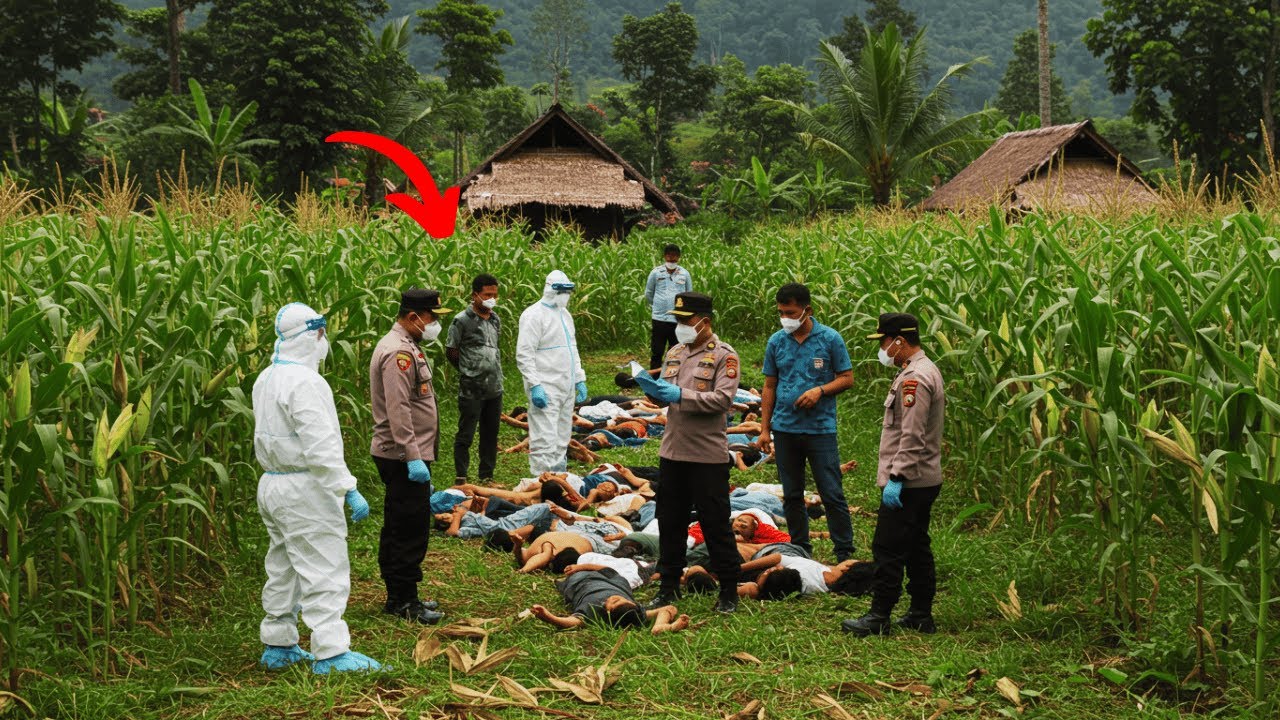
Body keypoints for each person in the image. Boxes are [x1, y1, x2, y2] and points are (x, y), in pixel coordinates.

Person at [252, 303, 380, 673]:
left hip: (272, 484)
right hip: (305, 487)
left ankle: (278, 642)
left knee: (283, 565)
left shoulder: (267, 377)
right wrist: (346, 487)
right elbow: (319, 446)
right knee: (324, 564)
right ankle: (332, 651)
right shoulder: (306, 382)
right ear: (315, 335)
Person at [634, 292, 741, 614]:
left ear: (704, 321)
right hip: (673, 451)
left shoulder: (725, 356)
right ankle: (668, 586)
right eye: (677, 320)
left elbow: (722, 400)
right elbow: (667, 397)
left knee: (715, 523)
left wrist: (680, 393)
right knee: (670, 522)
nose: (680, 326)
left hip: (707, 454)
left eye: (685, 320)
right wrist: (655, 394)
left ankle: (728, 591)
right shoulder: (676, 352)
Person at [843, 313, 945, 637]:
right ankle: (919, 613)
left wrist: (897, 478)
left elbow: (912, 437)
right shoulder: (918, 370)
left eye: (885, 342)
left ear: (899, 341)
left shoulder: (915, 378)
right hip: (923, 477)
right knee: (916, 545)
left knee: (887, 547)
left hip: (910, 480)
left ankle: (879, 616)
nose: (883, 348)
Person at [758, 283, 856, 562]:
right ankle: (800, 549)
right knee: (792, 494)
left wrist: (820, 390)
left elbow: (847, 378)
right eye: (781, 313)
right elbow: (769, 386)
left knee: (831, 492)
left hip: (820, 430)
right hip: (785, 428)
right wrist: (765, 429)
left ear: (807, 310)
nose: (785, 318)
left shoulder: (830, 339)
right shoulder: (776, 341)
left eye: (790, 312)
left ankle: (844, 551)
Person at [369, 289, 449, 625]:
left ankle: (400, 595)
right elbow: (398, 408)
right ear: (414, 316)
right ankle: (404, 600)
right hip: (403, 456)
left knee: (402, 523)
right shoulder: (398, 352)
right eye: (432, 317)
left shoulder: (408, 346)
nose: (434, 324)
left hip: (408, 453)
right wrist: (411, 455)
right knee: (408, 528)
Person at [516, 270, 588, 474]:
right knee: (544, 437)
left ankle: (559, 477)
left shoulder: (564, 315)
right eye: (562, 291)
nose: (566, 295)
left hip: (566, 385)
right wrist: (534, 384)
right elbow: (524, 354)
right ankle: (542, 479)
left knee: (562, 435)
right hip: (545, 385)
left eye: (568, 291)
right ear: (550, 289)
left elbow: (572, 348)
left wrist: (579, 378)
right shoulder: (533, 315)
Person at [446, 274, 503, 485]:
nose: (492, 299)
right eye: (488, 295)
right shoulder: (461, 320)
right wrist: (467, 370)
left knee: (490, 434)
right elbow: (452, 350)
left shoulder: (495, 319)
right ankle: (461, 478)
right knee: (466, 434)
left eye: (495, 295)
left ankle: (487, 476)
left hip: (494, 386)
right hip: (472, 388)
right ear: (475, 294)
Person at [529, 568, 690, 634]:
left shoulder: (594, 612)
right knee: (615, 574)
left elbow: (571, 622)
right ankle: (662, 628)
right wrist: (661, 624)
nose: (613, 598)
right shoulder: (635, 612)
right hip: (615, 581)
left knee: (569, 579)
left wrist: (547, 616)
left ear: (607, 610)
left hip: (582, 581)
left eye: (613, 602)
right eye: (620, 600)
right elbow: (669, 608)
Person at [644, 243, 693, 369]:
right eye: (669, 256)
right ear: (665, 256)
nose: (672, 259)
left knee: (676, 350)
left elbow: (688, 294)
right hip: (659, 318)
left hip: (677, 318)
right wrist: (657, 306)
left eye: (675, 256)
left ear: (679, 257)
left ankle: (672, 376)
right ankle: (655, 379)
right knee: (657, 350)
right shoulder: (656, 273)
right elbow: (649, 293)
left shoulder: (684, 274)